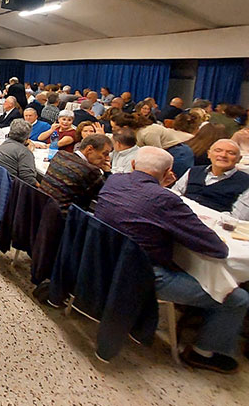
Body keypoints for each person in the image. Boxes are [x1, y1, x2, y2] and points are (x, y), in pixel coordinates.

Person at [95, 146, 248, 374]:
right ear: (168, 172)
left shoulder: (115, 181)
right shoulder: (166, 200)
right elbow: (215, 248)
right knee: (238, 298)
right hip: (145, 277)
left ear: (134, 165)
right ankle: (204, 352)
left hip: (103, 262)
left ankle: (192, 318)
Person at [171, 139, 249, 219]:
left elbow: (238, 218)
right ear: (209, 154)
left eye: (231, 153)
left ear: (239, 159)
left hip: (214, 225)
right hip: (180, 216)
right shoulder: (193, 171)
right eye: (218, 151)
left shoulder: (246, 183)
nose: (223, 155)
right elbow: (174, 195)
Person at [40, 134, 112, 213]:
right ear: (89, 149)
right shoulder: (90, 170)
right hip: (63, 219)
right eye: (105, 154)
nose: (107, 158)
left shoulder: (60, 154)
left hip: (39, 208)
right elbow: (108, 195)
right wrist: (107, 172)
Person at [111, 112, 194, 178]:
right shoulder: (136, 132)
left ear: (125, 127)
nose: (113, 130)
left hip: (177, 153)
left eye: (114, 128)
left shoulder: (147, 133)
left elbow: (157, 156)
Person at [0, 119, 38, 186]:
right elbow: (29, 180)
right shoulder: (24, 152)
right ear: (27, 136)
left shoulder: (4, 144)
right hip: (12, 188)